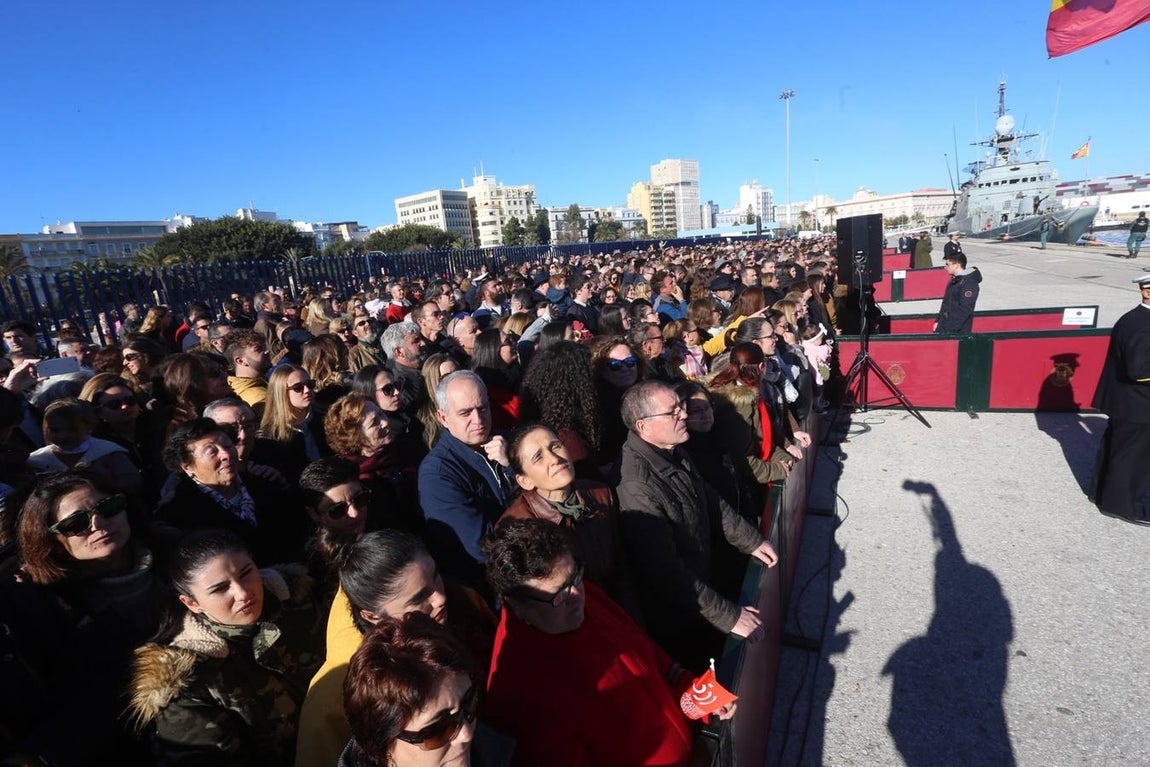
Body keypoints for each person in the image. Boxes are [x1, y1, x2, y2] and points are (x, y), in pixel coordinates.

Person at [483, 518, 732, 767]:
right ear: (515, 603)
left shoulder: (585, 594)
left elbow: (648, 654)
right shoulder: (520, 692)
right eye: (557, 595)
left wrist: (696, 692)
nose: (577, 596)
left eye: (575, 576)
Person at [296, 530, 497, 767]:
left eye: (435, 575)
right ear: (372, 615)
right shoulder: (331, 694)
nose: (439, 597)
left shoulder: (463, 603)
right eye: (419, 598)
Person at [615, 380, 778, 671]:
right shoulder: (638, 486)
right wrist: (729, 616)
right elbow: (665, 571)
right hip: (678, 615)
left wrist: (751, 540)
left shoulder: (673, 448)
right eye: (673, 411)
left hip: (701, 584)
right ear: (644, 426)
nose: (683, 415)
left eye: (681, 407)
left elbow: (710, 499)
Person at [128, 529, 323, 766]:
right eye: (220, 589)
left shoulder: (300, 595)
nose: (242, 593)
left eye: (246, 573)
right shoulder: (188, 682)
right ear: (192, 603)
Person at [11, 470, 159, 764]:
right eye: (75, 523)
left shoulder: (179, 557)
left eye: (108, 508)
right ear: (50, 538)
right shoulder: (45, 603)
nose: (98, 524)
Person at [340, 612, 512, 767]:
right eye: (437, 730)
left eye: (469, 704)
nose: (466, 734)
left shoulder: (492, 753)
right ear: (383, 749)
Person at [153, 418, 308, 565]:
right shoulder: (178, 515)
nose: (226, 455)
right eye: (212, 452)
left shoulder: (266, 485)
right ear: (187, 466)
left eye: (227, 446)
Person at [417, 370, 516, 593]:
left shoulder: (506, 442)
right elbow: (482, 546)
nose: (478, 420)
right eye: (465, 413)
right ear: (443, 418)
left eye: (483, 408)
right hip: (492, 586)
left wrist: (512, 465)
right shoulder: (437, 474)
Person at [1089, 275, 1150, 525]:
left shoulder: (1134, 317)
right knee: (1134, 456)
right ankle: (1123, 506)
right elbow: (1140, 370)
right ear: (1147, 292)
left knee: (1116, 449)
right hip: (1139, 403)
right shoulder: (1144, 325)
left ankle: (1100, 493)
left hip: (1125, 401)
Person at [934, 251, 982, 334]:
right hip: (944, 325)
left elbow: (965, 310)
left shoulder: (969, 283)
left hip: (957, 331)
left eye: (948, 264)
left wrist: (950, 330)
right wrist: (938, 321)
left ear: (956, 265)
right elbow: (945, 303)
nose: (945, 267)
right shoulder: (955, 280)